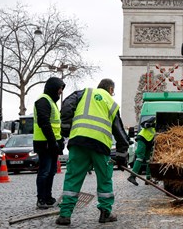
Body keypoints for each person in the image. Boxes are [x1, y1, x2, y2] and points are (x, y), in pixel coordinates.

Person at [56, 78, 130, 226]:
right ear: (110, 89)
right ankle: (105, 212)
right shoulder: (111, 102)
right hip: (100, 144)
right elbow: (119, 131)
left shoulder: (83, 93)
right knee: (104, 178)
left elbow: (67, 105)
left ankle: (65, 214)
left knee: (73, 177)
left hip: (78, 141)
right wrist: (122, 156)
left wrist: (65, 127)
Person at [33, 77, 66, 209]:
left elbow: (56, 125)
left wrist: (60, 140)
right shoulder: (43, 101)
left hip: (52, 142)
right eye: (59, 88)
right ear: (53, 87)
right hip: (45, 142)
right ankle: (41, 198)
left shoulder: (51, 102)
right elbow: (44, 123)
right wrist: (53, 142)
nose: (60, 92)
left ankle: (48, 197)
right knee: (45, 171)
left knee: (51, 171)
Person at [127, 116, 156, 186]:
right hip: (142, 139)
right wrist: (151, 124)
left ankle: (148, 179)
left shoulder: (162, 126)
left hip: (149, 142)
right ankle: (132, 176)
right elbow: (143, 124)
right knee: (140, 157)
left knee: (149, 160)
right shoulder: (154, 119)